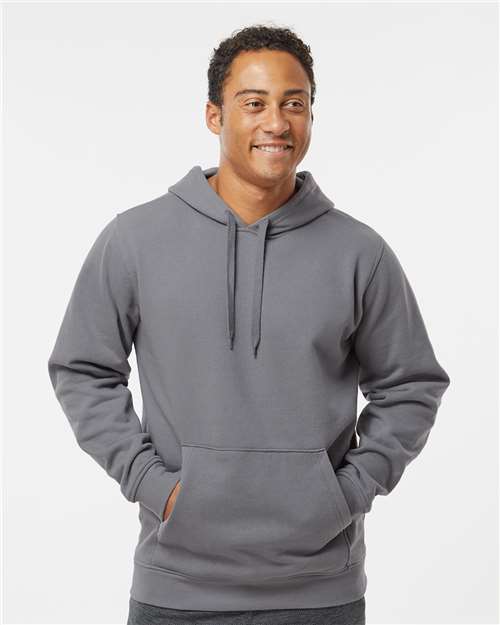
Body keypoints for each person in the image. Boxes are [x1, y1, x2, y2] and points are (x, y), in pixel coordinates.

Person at [47, 24, 450, 625]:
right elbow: (82, 370)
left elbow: (411, 386)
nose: (277, 122)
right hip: (176, 589)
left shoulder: (359, 252)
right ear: (214, 116)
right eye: (254, 103)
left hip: (320, 594)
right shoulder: (135, 240)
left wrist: (345, 493)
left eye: (295, 104)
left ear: (311, 116)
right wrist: (153, 485)